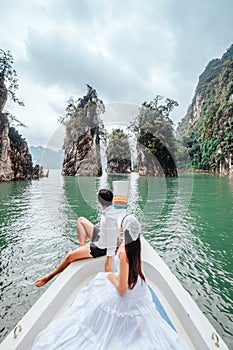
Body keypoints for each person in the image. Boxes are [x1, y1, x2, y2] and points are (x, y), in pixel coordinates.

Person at [32, 215, 190, 349]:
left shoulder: (123, 252)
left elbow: (122, 290)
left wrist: (113, 277)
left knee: (97, 289)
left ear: (124, 230)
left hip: (124, 289)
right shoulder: (135, 246)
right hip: (137, 289)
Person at [35, 189, 119, 287]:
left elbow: (112, 238)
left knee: (69, 257)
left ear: (100, 201)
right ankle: (81, 247)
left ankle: (49, 277)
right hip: (101, 237)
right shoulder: (108, 209)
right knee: (81, 220)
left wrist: (109, 259)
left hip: (101, 247)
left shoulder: (110, 218)